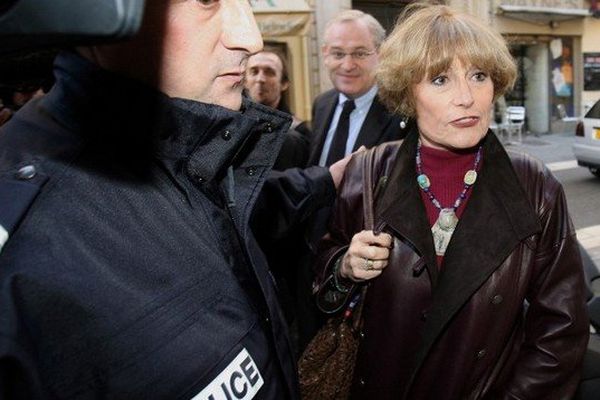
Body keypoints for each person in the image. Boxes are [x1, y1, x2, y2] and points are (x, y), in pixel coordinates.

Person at [0, 0, 349, 398]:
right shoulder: (21, 246)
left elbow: (228, 209)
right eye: (205, 1)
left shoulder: (186, 149)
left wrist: (329, 179)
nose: (250, 37)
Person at [313, 4, 589, 399]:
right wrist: (345, 267)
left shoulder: (534, 185)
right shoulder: (368, 172)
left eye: (478, 76)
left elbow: (561, 332)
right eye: (441, 79)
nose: (467, 97)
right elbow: (320, 276)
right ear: (408, 91)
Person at [308, 9, 405, 168]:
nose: (347, 66)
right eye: (338, 54)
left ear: (381, 54)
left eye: (359, 54)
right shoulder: (321, 104)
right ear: (325, 54)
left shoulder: (400, 114)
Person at [245, 48, 309, 170]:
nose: (260, 79)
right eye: (254, 71)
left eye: (269, 72)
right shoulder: (232, 126)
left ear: (284, 83)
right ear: (245, 81)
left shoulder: (299, 133)